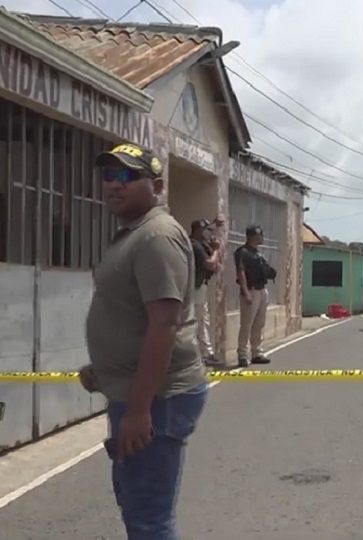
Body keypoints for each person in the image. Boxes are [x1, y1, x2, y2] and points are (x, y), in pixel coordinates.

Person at [80, 143, 208, 539]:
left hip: (157, 399)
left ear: (156, 186)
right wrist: (103, 369)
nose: (112, 186)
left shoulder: (156, 237)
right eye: (107, 176)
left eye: (125, 176)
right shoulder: (135, 235)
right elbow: (132, 315)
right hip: (141, 392)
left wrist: (138, 411)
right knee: (136, 505)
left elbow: (164, 324)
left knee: (148, 517)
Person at [235, 225, 276, 367]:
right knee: (247, 324)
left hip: (262, 289)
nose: (262, 237)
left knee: (259, 323)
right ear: (253, 236)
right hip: (251, 290)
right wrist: (246, 292)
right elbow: (241, 273)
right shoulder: (243, 252)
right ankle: (242, 354)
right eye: (260, 235)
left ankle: (256, 352)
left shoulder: (257, 253)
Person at [190, 218, 223, 367]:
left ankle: (204, 353)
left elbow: (215, 265)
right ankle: (204, 354)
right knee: (200, 320)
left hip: (200, 286)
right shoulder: (195, 245)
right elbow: (210, 264)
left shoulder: (201, 244)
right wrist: (216, 249)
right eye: (205, 230)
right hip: (195, 287)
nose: (207, 234)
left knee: (203, 319)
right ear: (198, 230)